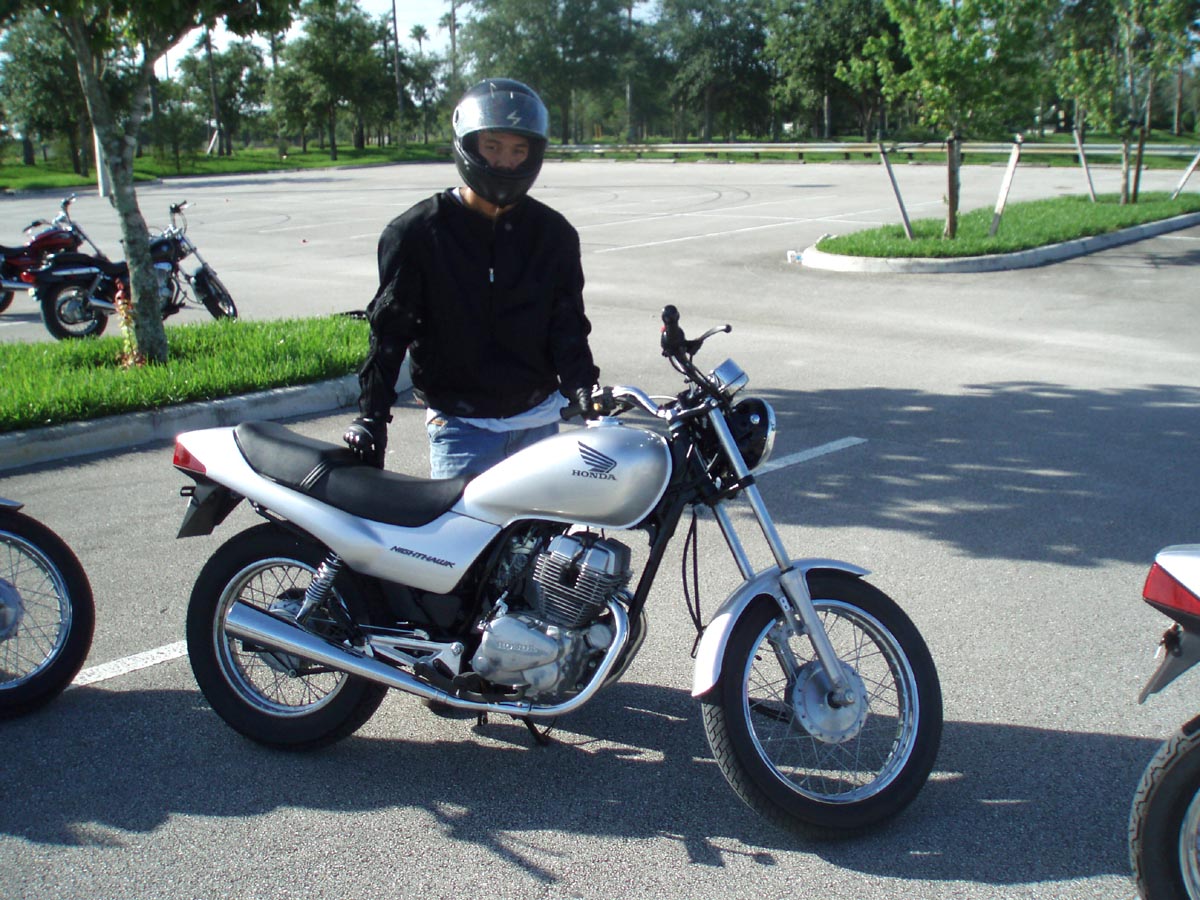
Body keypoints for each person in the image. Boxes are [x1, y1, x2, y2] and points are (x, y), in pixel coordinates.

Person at [343, 78, 600, 478]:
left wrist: (584, 388)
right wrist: (371, 416)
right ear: (468, 144)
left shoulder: (553, 235)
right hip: (460, 428)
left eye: (518, 150)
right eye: (492, 146)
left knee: (551, 525)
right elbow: (390, 333)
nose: (505, 162)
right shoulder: (417, 233)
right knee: (461, 523)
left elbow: (566, 325)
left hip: (539, 424)